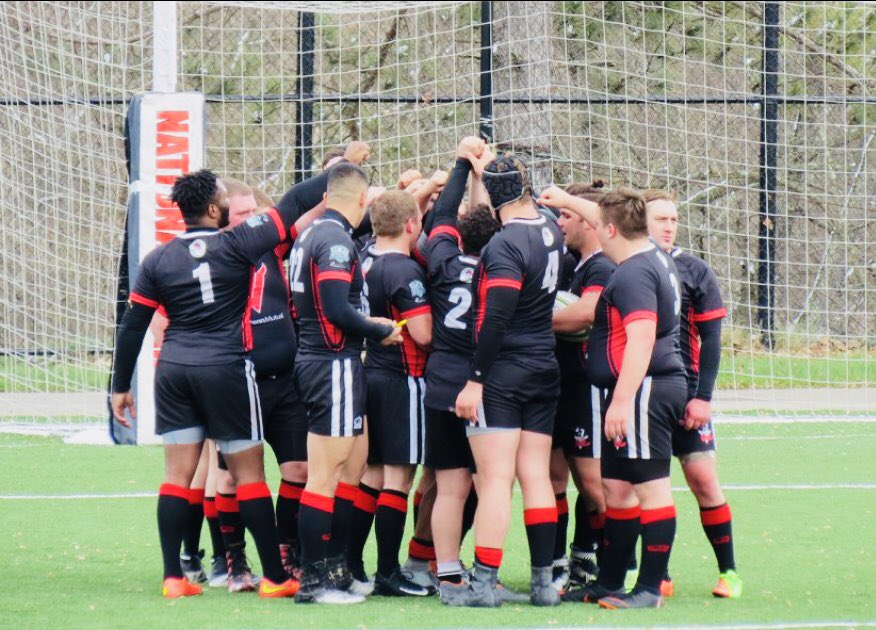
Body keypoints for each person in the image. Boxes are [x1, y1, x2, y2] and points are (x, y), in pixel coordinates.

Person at [110, 165, 333, 600]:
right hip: (227, 368)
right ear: (214, 209)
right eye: (224, 199)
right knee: (249, 476)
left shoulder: (157, 258)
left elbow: (132, 325)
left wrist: (119, 386)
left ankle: (174, 577)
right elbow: (293, 203)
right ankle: (273, 576)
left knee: (176, 476)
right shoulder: (239, 242)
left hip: (173, 370)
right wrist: (342, 170)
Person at [539, 185, 687, 609]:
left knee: (651, 489)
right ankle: (609, 582)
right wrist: (565, 199)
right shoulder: (649, 251)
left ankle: (649, 589)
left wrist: (622, 401)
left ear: (608, 230)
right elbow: (607, 215)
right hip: (637, 387)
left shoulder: (634, 272)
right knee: (617, 489)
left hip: (645, 388)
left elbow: (641, 339)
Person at [453, 154, 564, 608]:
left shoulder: (503, 247)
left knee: (496, 479)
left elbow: (496, 318)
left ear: (495, 200)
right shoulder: (551, 227)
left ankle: (483, 585)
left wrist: (475, 380)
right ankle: (543, 585)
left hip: (503, 371)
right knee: (535, 476)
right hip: (544, 365)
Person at [289, 162, 403, 604]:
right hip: (330, 362)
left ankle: (336, 570)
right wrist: (379, 330)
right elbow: (336, 309)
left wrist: (367, 326)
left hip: (338, 362)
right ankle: (314, 582)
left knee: (351, 471)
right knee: (325, 476)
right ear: (361, 200)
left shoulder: (312, 234)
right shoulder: (334, 240)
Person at [419, 138, 512, 604]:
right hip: (482, 384)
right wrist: (489, 172)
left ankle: (448, 573)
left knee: (450, 487)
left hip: (440, 381)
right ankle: (483, 574)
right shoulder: (503, 266)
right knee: (490, 483)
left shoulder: (442, 258)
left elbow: (439, 218)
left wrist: (461, 164)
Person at [643, 189, 741, 599]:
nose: (669, 226)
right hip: (643, 396)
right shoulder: (629, 266)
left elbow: (713, 340)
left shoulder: (694, 270)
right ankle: (657, 572)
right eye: (660, 218)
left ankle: (730, 572)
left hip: (687, 396)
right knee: (649, 487)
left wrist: (703, 397)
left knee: (702, 479)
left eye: (674, 219)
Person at [356, 190, 435, 597]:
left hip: (373, 375)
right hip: (403, 379)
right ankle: (388, 572)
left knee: (371, 474)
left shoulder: (365, 258)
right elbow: (422, 334)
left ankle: (353, 564)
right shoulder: (403, 269)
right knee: (398, 478)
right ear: (411, 225)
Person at [549, 182, 615, 591]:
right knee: (555, 479)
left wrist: (526, 321)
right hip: (557, 385)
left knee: (594, 485)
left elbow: (586, 314)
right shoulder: (573, 262)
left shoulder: (603, 265)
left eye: (566, 216)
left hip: (586, 388)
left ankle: (615, 564)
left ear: (590, 223)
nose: (559, 223)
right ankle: (562, 564)